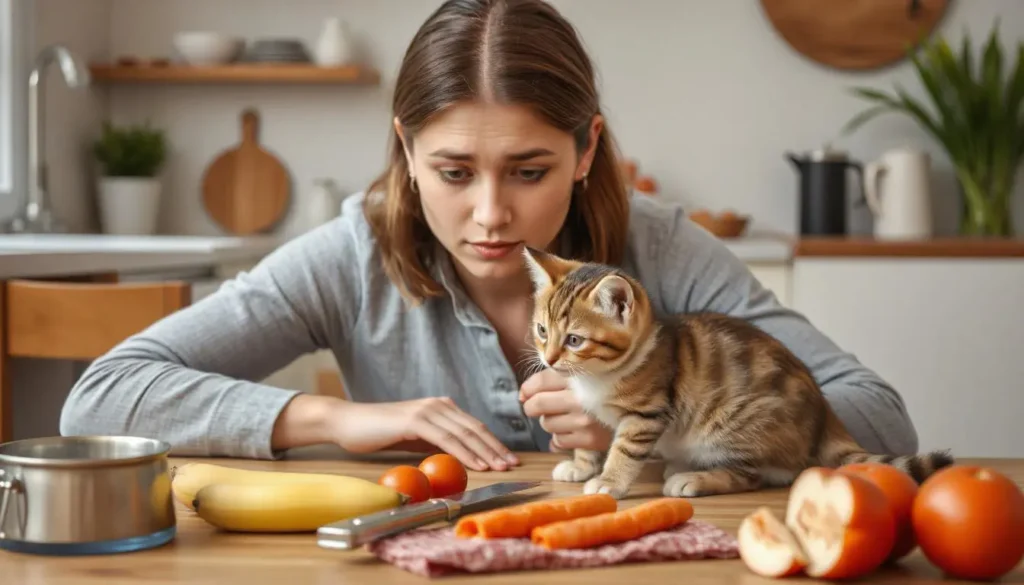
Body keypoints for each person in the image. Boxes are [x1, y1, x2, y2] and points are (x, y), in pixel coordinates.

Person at [59, 0, 919, 472]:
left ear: (587, 149)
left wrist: (658, 436)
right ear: (406, 147)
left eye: (531, 170)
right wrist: (332, 417)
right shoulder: (351, 255)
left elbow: (882, 417)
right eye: (454, 171)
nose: (490, 216)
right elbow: (100, 397)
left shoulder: (660, 248)